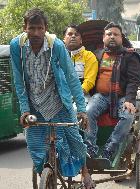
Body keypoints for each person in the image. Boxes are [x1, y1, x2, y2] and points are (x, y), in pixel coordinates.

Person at [10, 8, 95, 188]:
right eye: (31, 28)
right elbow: (18, 80)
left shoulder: (55, 45)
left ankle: (85, 173)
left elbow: (71, 77)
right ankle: (46, 179)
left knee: (75, 140)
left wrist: (81, 109)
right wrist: (24, 109)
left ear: (46, 28)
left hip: (58, 102)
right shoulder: (16, 46)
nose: (36, 33)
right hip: (34, 105)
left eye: (40, 28)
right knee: (35, 147)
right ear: (24, 27)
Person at [85, 22, 140, 160]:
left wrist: (129, 101)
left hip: (122, 97)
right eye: (109, 34)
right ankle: (90, 148)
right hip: (100, 96)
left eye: (115, 34)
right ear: (103, 38)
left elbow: (133, 81)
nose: (112, 36)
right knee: (88, 112)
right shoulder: (97, 55)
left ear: (121, 38)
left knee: (128, 116)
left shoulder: (130, 56)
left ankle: (110, 148)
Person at [63, 24, 98, 96]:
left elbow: (89, 81)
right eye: (70, 34)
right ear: (64, 39)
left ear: (81, 40)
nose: (73, 36)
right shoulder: (58, 55)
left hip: (81, 96)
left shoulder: (89, 56)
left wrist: (76, 94)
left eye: (76, 34)